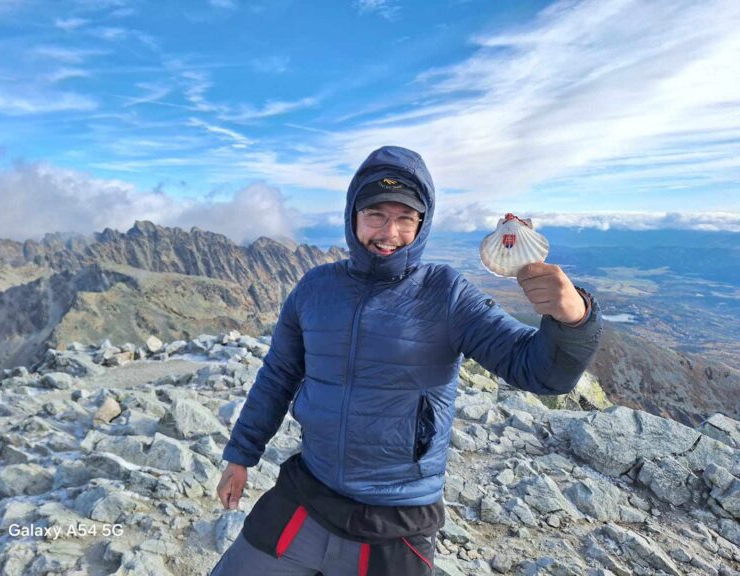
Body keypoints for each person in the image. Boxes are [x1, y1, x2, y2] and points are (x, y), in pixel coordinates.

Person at [211, 145, 602, 575]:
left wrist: (572, 318)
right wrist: (241, 455)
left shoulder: (445, 293)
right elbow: (278, 376)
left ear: (423, 222)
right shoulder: (315, 288)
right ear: (353, 215)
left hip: (397, 515)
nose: (389, 232)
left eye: (405, 218)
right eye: (376, 214)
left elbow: (540, 372)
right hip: (307, 492)